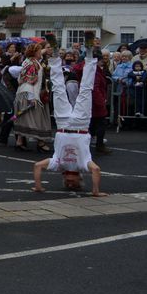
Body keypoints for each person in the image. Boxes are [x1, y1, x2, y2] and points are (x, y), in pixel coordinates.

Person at [33, 50, 106, 196]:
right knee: (86, 89)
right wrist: (96, 191)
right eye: (74, 183)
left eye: (68, 183)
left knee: (59, 89)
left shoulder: (58, 164)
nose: (70, 182)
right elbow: (96, 170)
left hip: (63, 125)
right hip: (81, 125)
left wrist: (38, 186)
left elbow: (37, 166)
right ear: (80, 177)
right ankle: (90, 55)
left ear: (63, 177)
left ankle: (54, 56)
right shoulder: (83, 165)